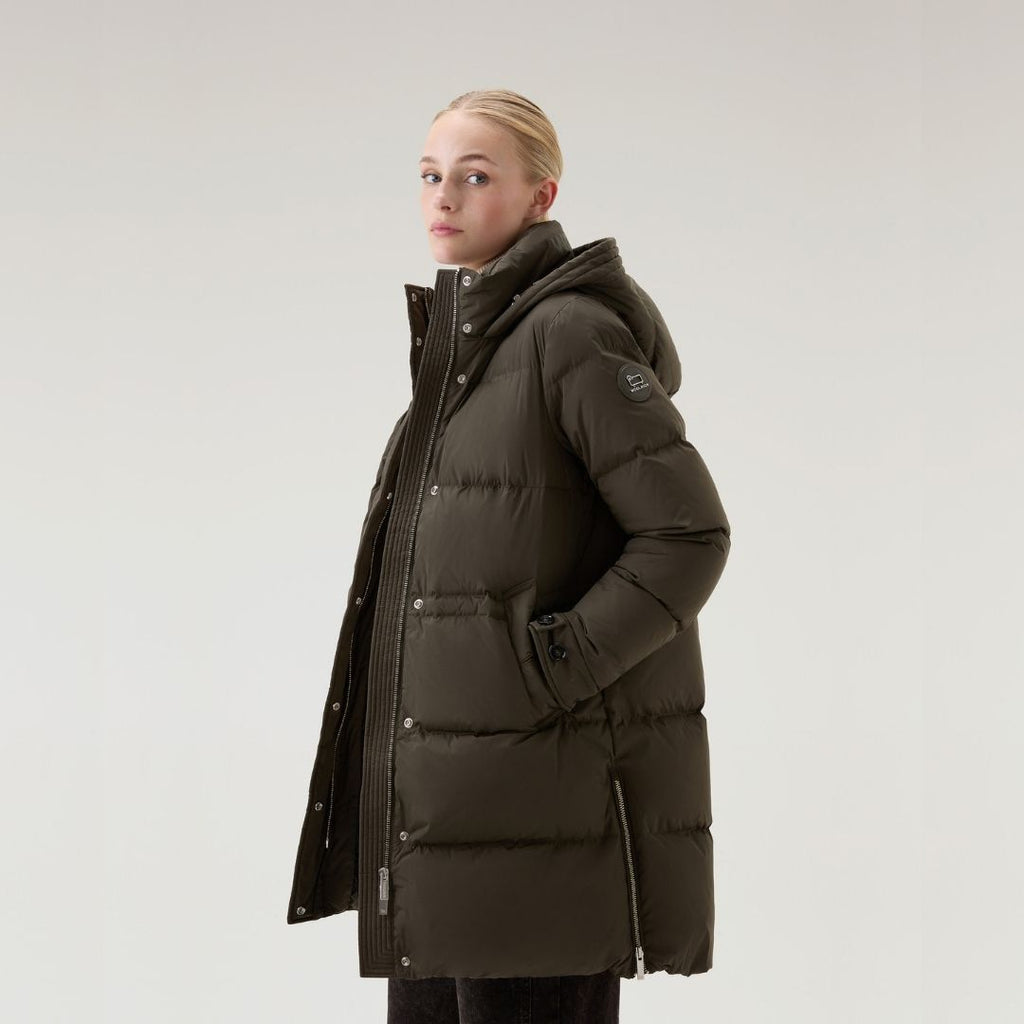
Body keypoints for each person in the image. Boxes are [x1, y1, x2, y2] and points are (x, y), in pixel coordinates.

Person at [286, 89, 732, 1024]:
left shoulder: (569, 336)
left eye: (476, 176)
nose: (444, 196)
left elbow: (688, 535)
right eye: (430, 175)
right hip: (441, 831)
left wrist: (553, 667)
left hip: (543, 822)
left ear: (541, 196)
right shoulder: (463, 357)